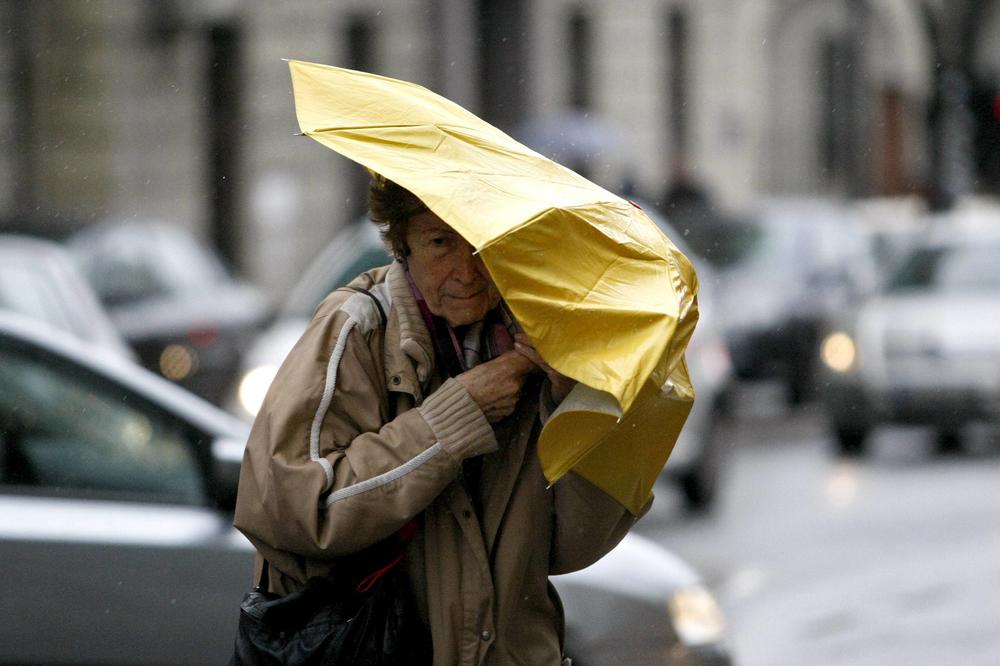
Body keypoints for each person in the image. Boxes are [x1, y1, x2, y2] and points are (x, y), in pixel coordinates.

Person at [233, 174, 648, 665]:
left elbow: (570, 547)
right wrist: (454, 418)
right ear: (402, 244)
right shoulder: (356, 330)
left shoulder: (543, 341)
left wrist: (572, 404)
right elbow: (293, 511)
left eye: (481, 241)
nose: (466, 271)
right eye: (439, 242)